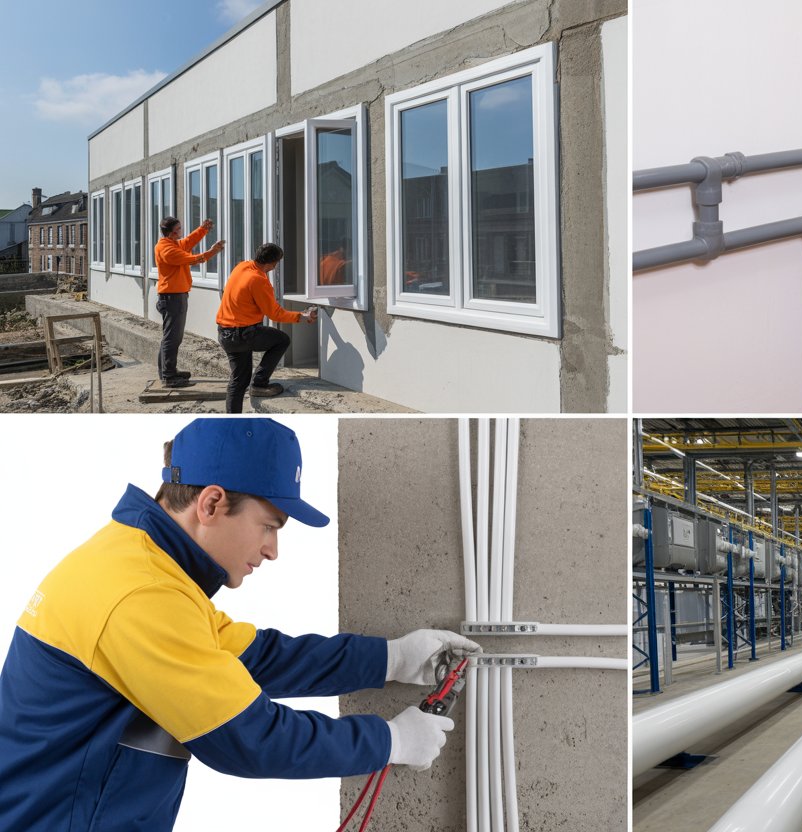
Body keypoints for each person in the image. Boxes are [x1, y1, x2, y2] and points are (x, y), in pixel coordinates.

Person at [0, 418, 480, 831]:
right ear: (210, 504)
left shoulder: (144, 567)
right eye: (268, 526)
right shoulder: (141, 596)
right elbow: (250, 738)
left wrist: (392, 658)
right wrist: (390, 741)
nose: (272, 550)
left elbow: (254, 658)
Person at [216, 242, 317, 413]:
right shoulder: (258, 280)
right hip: (243, 334)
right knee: (281, 340)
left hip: (225, 332)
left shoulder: (242, 266)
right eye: (276, 263)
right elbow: (275, 314)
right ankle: (260, 383)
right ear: (272, 263)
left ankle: (233, 419)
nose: (276, 267)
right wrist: (302, 316)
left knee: (238, 381)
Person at [153, 216, 225, 388]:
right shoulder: (167, 250)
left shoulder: (172, 244)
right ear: (171, 233)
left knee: (170, 337)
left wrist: (203, 229)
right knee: (172, 338)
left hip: (173, 297)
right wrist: (212, 252)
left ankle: (167, 371)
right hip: (173, 298)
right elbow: (192, 259)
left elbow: (189, 241)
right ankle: (169, 376)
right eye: (179, 228)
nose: (182, 230)